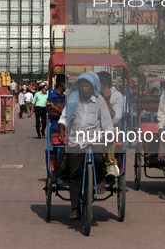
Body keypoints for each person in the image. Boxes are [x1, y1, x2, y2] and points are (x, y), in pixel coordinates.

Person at [58, 72, 113, 220]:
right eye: (81, 85)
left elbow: (107, 121)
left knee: (99, 159)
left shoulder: (100, 100)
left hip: (94, 138)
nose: (84, 88)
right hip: (76, 139)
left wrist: (108, 134)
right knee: (74, 172)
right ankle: (75, 208)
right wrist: (62, 129)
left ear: (92, 86)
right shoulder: (73, 99)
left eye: (86, 85)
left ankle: (100, 180)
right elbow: (64, 117)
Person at [97, 71, 124, 177]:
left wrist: (106, 100)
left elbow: (116, 119)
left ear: (106, 86)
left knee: (110, 133)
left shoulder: (117, 96)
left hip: (112, 127)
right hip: (94, 126)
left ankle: (110, 164)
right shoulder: (92, 94)